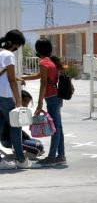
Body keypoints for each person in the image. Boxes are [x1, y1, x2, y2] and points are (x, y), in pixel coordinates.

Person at [21, 38, 67, 166]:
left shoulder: (43, 62)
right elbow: (40, 76)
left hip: (51, 98)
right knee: (58, 127)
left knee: (55, 129)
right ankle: (61, 155)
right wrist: (21, 77)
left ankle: (52, 157)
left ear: (38, 49)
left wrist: (40, 102)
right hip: (57, 97)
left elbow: (43, 83)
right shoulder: (52, 61)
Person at [0, 29, 31, 170]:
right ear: (16, 44)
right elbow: (12, 80)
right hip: (4, 96)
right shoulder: (8, 55)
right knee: (16, 125)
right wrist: (18, 100)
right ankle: (20, 159)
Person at [0, 89, 45, 159]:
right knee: (39, 146)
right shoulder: (12, 112)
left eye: (28, 102)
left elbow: (20, 130)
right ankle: (21, 151)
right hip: (8, 140)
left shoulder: (19, 110)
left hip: (19, 138)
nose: (26, 104)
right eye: (25, 101)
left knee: (38, 142)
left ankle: (27, 150)